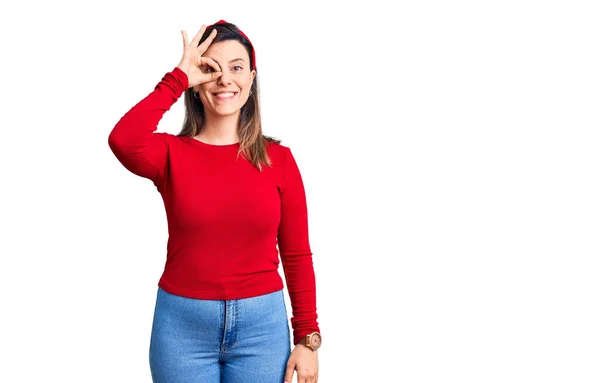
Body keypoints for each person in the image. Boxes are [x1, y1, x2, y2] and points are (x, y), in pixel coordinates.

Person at [107, 20, 321, 383]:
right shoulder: (170, 154)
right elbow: (123, 140)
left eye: (236, 68)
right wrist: (178, 77)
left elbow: (297, 253)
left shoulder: (278, 160)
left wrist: (308, 339)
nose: (225, 79)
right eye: (210, 68)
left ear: (252, 79)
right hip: (182, 329)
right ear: (196, 82)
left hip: (263, 330)